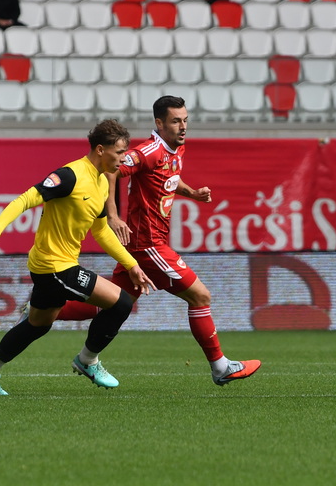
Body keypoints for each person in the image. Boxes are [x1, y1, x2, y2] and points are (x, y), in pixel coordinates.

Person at [0, 120, 155, 395]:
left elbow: (101, 230)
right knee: (121, 303)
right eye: (119, 152)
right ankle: (88, 360)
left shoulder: (102, 182)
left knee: (38, 324)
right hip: (54, 266)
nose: (123, 158)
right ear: (101, 150)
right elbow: (24, 199)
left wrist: (131, 265)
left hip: (55, 266)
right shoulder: (70, 176)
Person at [106, 96, 261, 386]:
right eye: (176, 121)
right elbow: (111, 168)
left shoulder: (175, 148)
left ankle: (41, 309)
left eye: (185, 120)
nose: (183, 126)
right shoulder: (148, 151)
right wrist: (113, 215)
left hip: (149, 243)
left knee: (112, 303)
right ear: (159, 123)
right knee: (200, 296)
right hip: (147, 244)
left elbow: (169, 179)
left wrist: (192, 193)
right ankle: (220, 366)